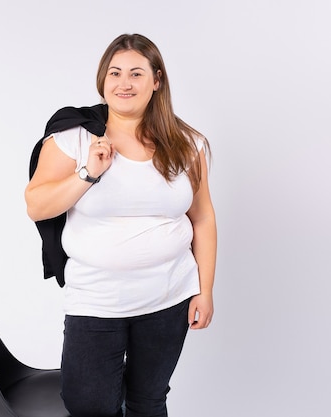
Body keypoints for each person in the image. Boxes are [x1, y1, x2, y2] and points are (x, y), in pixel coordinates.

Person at [24, 33, 217, 417]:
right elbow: (36, 206)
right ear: (103, 79)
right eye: (115, 73)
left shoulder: (187, 143)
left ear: (157, 81)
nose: (123, 83)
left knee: (148, 401)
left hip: (169, 297)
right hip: (97, 301)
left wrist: (205, 290)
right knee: (89, 405)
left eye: (136, 73)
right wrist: (87, 173)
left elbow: (203, 217)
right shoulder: (73, 138)